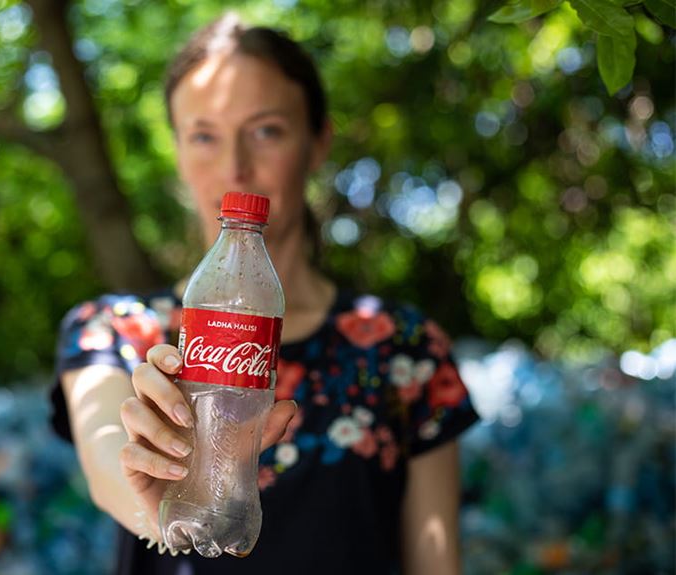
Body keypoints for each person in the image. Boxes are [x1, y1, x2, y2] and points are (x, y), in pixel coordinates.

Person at [49, 13, 479, 575]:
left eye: (266, 130)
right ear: (177, 153)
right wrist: (156, 501)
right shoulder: (117, 329)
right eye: (204, 135)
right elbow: (107, 457)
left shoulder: (403, 348)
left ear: (317, 142)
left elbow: (435, 559)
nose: (235, 167)